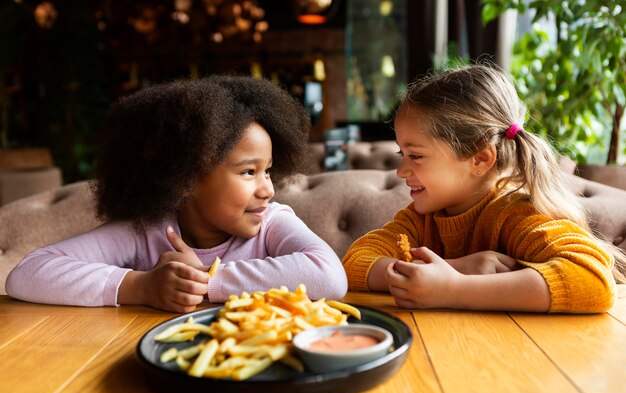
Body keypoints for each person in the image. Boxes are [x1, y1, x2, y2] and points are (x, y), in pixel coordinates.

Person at [6, 75, 347, 313]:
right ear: (186, 178)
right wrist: (142, 287)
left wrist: (207, 279)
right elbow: (27, 274)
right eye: (248, 172)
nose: (268, 189)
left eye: (268, 170)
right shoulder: (146, 232)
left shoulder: (271, 223)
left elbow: (328, 275)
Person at [342, 64, 624, 313]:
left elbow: (592, 279)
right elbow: (354, 263)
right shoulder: (420, 219)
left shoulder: (517, 212)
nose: (401, 171)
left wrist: (454, 289)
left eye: (415, 156)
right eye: (401, 153)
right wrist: (459, 266)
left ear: (480, 158)